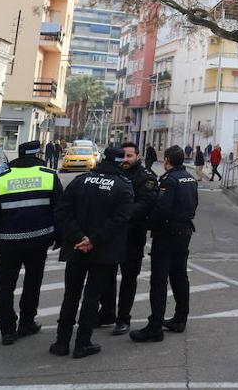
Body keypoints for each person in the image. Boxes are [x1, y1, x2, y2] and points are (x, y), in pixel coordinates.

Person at [0, 140, 63, 345]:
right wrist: (61, 237)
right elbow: (60, 211)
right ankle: (26, 323)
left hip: (8, 243)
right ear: (37, 154)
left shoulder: (3, 179)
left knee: (6, 286)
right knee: (33, 283)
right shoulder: (48, 176)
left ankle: (7, 330)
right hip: (38, 240)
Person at [51, 147, 132, 358]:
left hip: (76, 249)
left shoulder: (80, 180)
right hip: (103, 252)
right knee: (92, 296)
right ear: (120, 163)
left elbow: (62, 211)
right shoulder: (123, 187)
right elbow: (119, 220)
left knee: (71, 295)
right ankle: (82, 343)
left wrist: (78, 237)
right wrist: (93, 240)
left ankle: (61, 342)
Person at [131, 146, 198, 343]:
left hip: (167, 234)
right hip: (184, 232)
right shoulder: (190, 178)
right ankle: (180, 318)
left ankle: (155, 327)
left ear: (167, 160)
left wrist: (147, 223)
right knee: (179, 277)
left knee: (159, 281)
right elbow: (194, 203)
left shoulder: (169, 181)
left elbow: (163, 209)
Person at [96, 142, 158, 335]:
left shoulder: (146, 178)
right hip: (110, 235)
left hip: (132, 235)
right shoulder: (111, 173)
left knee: (128, 278)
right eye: (123, 156)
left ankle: (123, 318)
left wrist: (121, 217)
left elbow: (146, 203)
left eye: (129, 156)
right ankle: (107, 312)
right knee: (106, 275)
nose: (125, 160)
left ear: (137, 157)